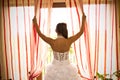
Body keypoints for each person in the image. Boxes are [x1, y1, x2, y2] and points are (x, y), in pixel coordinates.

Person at [32, 13, 86, 80]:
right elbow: (80, 32)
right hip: (68, 68)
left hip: (54, 69)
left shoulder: (52, 42)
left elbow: (40, 34)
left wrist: (35, 23)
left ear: (56, 30)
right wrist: (83, 20)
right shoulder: (69, 41)